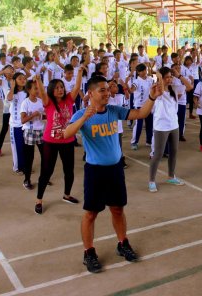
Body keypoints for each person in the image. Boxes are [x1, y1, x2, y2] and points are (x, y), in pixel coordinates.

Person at [63, 75, 162, 273]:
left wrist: (151, 97)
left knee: (117, 209)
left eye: (108, 89)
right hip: (95, 171)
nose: (107, 93)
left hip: (115, 169)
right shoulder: (81, 114)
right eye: (102, 90)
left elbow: (141, 113)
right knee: (91, 213)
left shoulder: (114, 111)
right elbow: (67, 134)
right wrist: (84, 117)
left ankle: (122, 243)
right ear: (90, 93)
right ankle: (88, 252)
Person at [34, 67, 83, 215]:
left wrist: (79, 73)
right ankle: (39, 200)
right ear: (51, 90)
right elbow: (42, 92)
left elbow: (76, 87)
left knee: (69, 170)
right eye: (56, 88)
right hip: (50, 141)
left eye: (61, 87)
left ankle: (66, 195)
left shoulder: (69, 99)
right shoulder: (48, 102)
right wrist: (38, 81)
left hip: (67, 141)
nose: (60, 90)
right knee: (46, 171)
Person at [148, 67, 190, 192]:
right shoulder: (157, 90)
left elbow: (189, 87)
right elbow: (159, 85)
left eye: (170, 77)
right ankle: (151, 180)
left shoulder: (175, 89)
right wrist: (159, 75)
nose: (169, 79)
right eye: (167, 77)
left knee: (174, 151)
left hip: (174, 125)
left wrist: (179, 75)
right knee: (158, 154)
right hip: (161, 126)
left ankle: (171, 176)